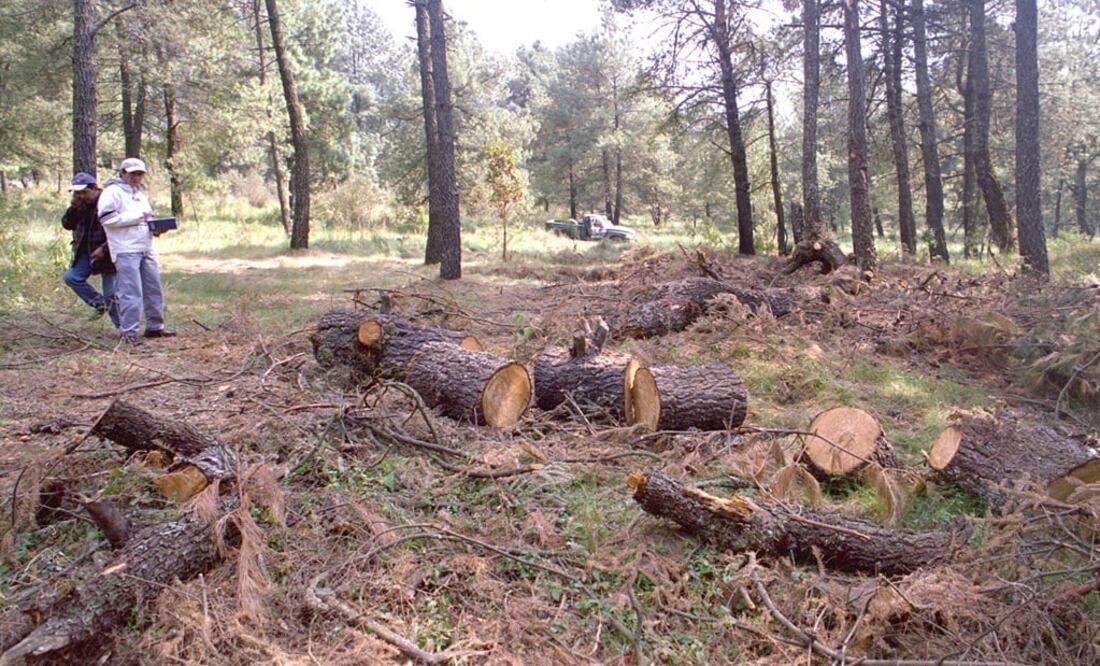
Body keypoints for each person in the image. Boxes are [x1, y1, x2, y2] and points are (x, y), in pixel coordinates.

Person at [98, 157, 176, 347]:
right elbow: (106, 218)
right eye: (132, 173)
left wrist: (156, 228)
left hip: (145, 246)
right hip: (125, 249)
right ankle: (129, 332)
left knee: (153, 288)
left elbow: (146, 219)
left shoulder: (139, 194)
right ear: (122, 173)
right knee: (131, 292)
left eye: (139, 173)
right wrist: (138, 217)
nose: (136, 177)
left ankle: (155, 326)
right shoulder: (112, 192)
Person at [62, 172, 119, 328]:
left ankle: (123, 328)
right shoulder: (80, 205)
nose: (80, 196)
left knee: (112, 294)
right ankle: (99, 303)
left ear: (94, 188)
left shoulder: (108, 201)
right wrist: (73, 207)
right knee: (71, 277)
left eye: (84, 192)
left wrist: (104, 249)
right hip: (86, 251)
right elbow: (67, 225)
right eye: (77, 193)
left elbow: (118, 231)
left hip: (109, 253)